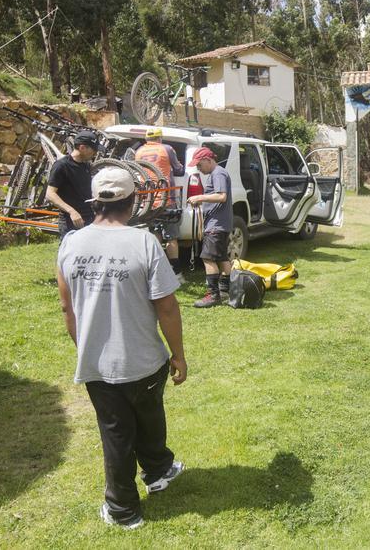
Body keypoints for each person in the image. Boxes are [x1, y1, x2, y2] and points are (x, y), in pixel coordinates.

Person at [56, 165, 188, 530]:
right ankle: (123, 508)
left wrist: (85, 346)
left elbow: (67, 306)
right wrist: (178, 354)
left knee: (121, 429)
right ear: (133, 202)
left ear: (94, 201)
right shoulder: (144, 242)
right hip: (146, 360)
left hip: (98, 363)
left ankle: (158, 469)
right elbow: (166, 304)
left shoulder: (71, 243)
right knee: (142, 420)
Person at [186, 146, 232, 308]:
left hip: (216, 225)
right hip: (221, 223)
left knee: (208, 258)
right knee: (222, 257)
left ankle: (213, 296)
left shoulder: (218, 173)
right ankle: (226, 291)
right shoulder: (219, 172)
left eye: (199, 164)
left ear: (208, 160)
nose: (198, 168)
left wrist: (198, 196)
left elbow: (221, 196)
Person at [134, 128, 185, 270]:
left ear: (146, 139)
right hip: (166, 197)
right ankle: (176, 271)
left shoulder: (138, 152)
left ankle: (157, 268)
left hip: (148, 199)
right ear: (160, 138)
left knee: (155, 233)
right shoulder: (167, 149)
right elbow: (179, 169)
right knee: (171, 236)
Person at [46, 131, 98, 240]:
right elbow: (50, 194)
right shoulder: (61, 166)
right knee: (68, 254)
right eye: (94, 150)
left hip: (89, 218)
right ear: (82, 147)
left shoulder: (86, 165)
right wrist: (72, 212)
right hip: (71, 220)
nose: (95, 153)